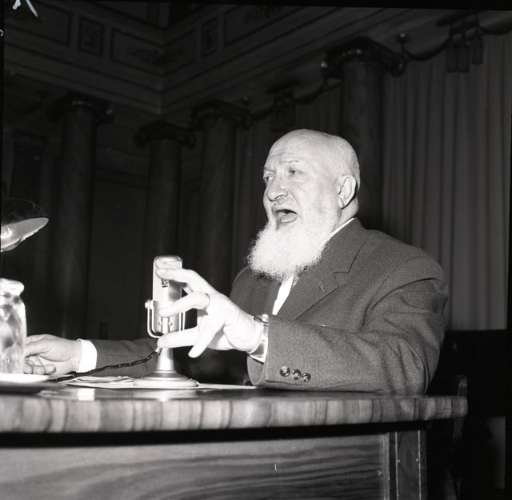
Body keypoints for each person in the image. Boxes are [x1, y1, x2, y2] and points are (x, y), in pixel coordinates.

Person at [25, 129, 448, 393]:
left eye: (293, 173)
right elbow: (184, 355)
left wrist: (258, 336)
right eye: (268, 177)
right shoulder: (253, 278)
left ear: (343, 190)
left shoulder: (402, 267)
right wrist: (79, 355)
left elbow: (405, 366)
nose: (273, 192)